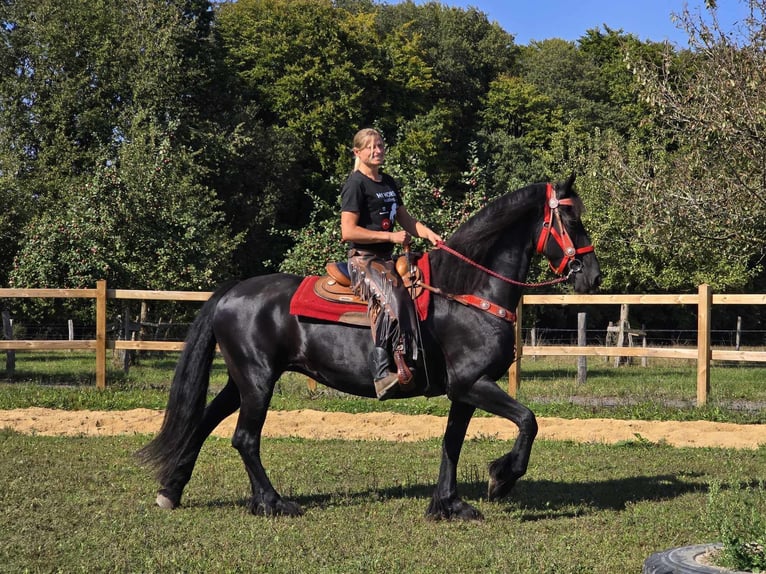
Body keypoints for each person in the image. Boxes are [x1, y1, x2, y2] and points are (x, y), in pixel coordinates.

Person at [340, 128, 442, 399]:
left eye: (380, 145)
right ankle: (382, 370)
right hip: (364, 259)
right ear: (357, 152)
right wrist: (390, 236)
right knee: (393, 297)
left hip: (388, 258)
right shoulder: (355, 184)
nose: (377, 150)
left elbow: (406, 220)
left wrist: (431, 234)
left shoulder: (389, 183)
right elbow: (347, 231)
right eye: (370, 147)